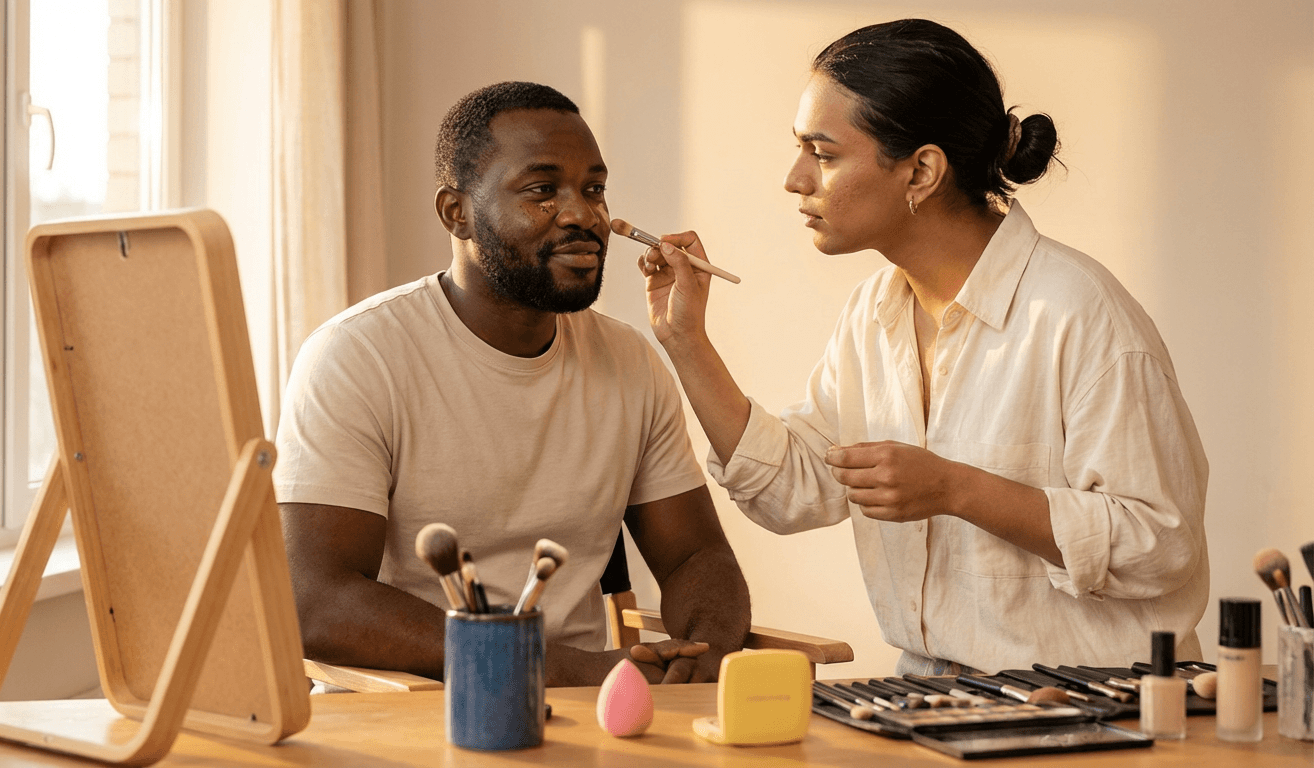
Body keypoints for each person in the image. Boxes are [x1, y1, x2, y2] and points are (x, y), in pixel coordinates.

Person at [638, 19, 1208, 675]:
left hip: (1096, 716)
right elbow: (793, 490)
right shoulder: (873, 314)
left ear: (922, 171)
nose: (795, 179)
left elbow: (1161, 547)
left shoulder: (1081, 316)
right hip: (932, 707)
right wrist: (685, 341)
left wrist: (957, 489)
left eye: (822, 154)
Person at [274, 81, 750, 687]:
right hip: (408, 707)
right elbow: (315, 600)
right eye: (542, 191)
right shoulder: (356, 356)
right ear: (457, 213)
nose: (584, 215)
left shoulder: (631, 362)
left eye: (594, 189)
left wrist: (700, 659)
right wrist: (567, 670)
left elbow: (695, 557)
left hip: (585, 716)